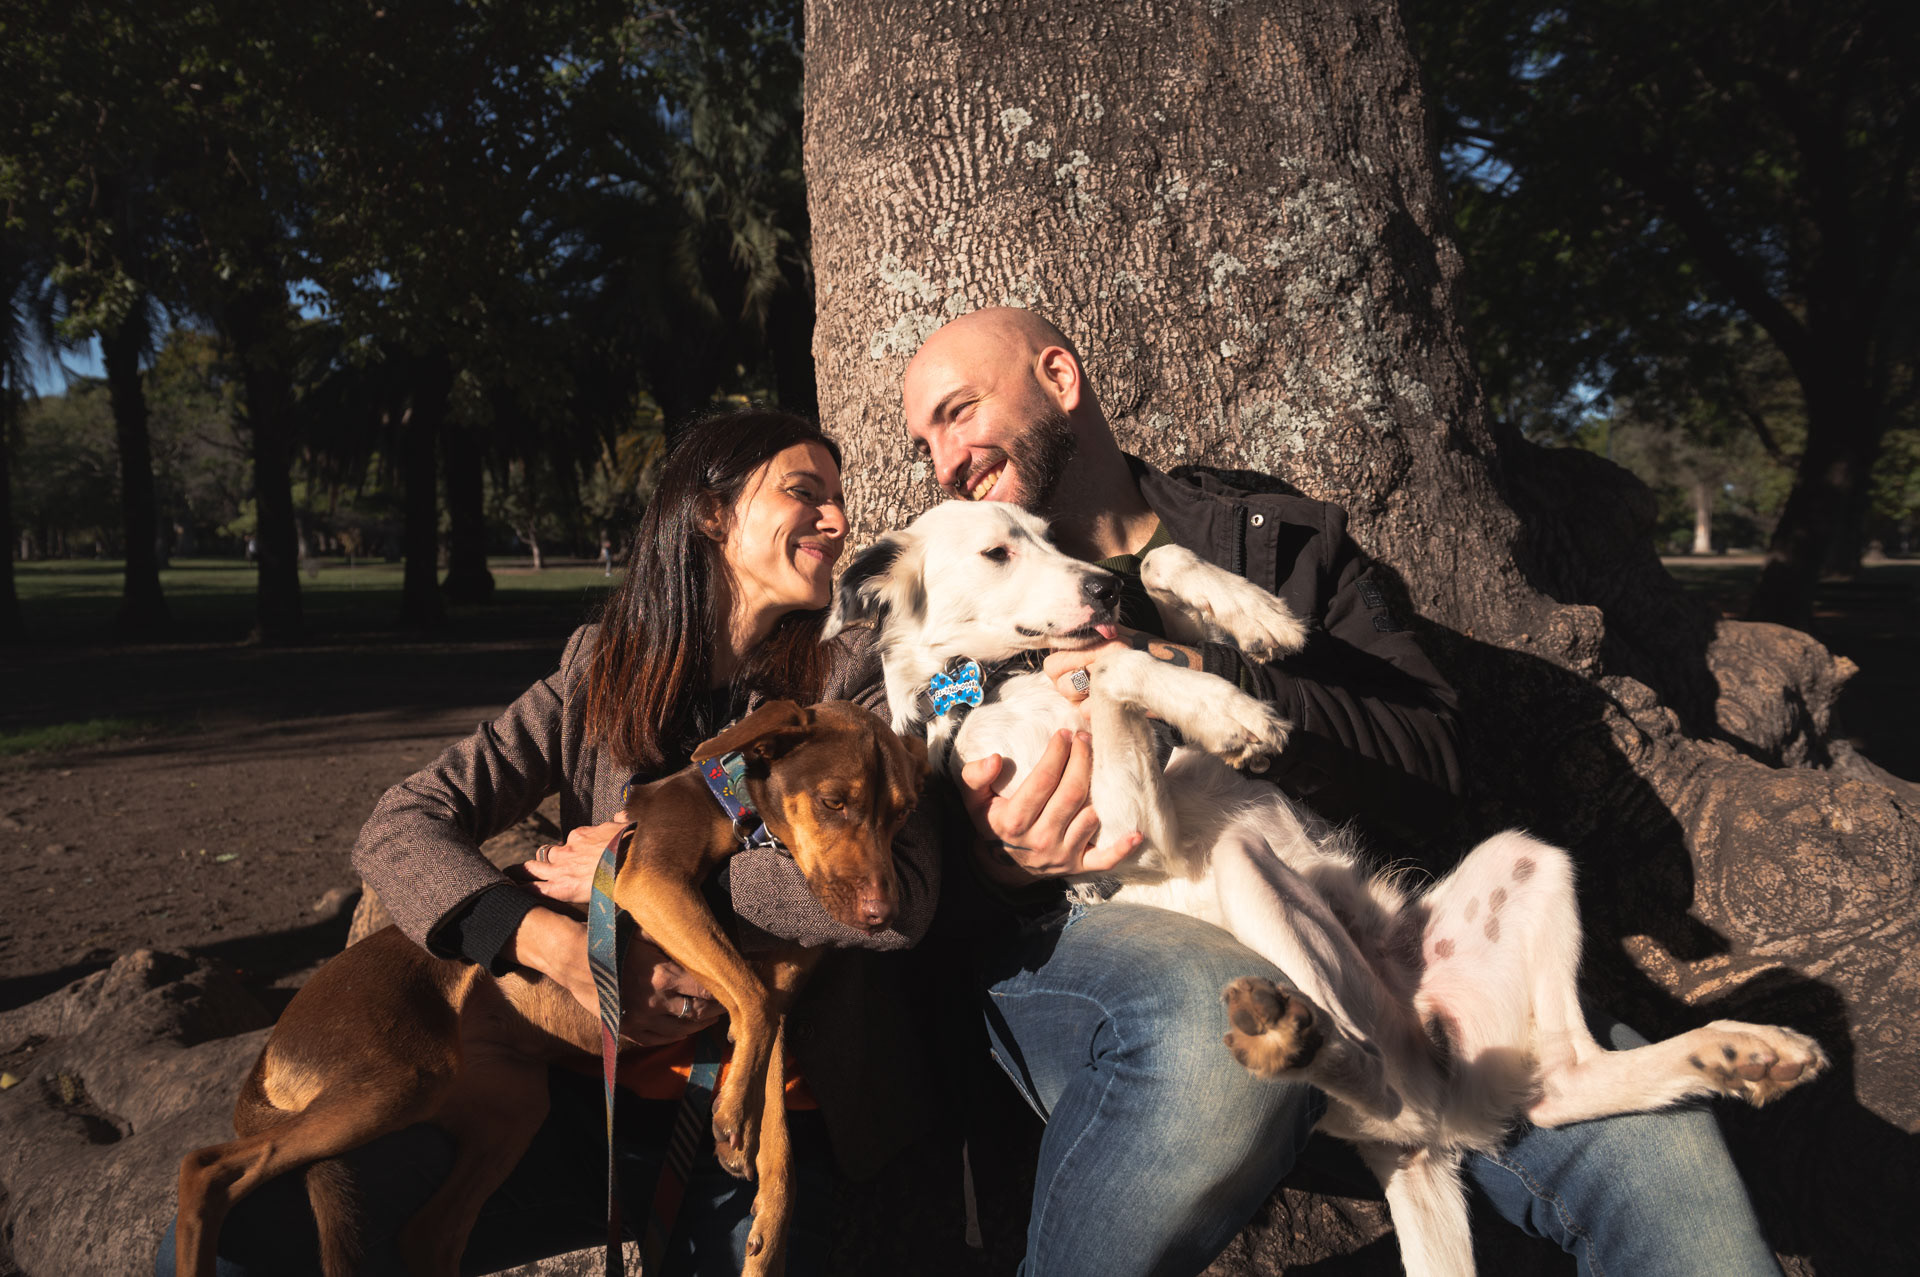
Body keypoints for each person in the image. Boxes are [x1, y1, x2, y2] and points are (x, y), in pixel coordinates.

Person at [900, 307, 1785, 1277]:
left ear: (1060, 377)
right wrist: (996, 855)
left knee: (1668, 1165)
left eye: (959, 411)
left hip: (1368, 932)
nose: (945, 458)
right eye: (925, 439)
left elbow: (1428, 754)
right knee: (1210, 1043)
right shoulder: (941, 596)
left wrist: (1189, 662)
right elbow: (905, 780)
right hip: (1137, 944)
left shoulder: (1273, 539)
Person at [156, 409, 941, 1276]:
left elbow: (897, 902)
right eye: (805, 493)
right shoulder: (599, 670)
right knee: (245, 1241)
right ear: (710, 513)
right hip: (572, 1104)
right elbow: (400, 822)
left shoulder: (855, 677)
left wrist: (641, 871)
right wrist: (552, 941)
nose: (837, 519)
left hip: (763, 1116)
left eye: (839, 498)